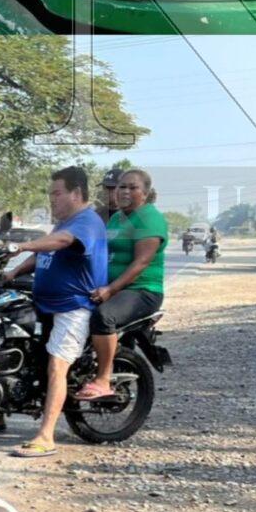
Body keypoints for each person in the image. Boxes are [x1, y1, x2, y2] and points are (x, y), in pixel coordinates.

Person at [0, 166, 109, 457]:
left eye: (56, 193)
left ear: (76, 194)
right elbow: (46, 252)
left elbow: (62, 243)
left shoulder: (86, 222)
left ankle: (46, 436)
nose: (51, 200)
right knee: (6, 342)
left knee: (57, 366)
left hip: (73, 307)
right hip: (46, 305)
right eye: (50, 194)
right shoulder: (64, 222)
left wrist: (20, 245)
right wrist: (13, 272)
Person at [79, 167, 168, 401]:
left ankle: (103, 379)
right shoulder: (117, 217)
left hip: (141, 290)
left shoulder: (149, 217)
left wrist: (110, 289)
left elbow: (141, 262)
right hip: (113, 288)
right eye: (121, 186)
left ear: (145, 193)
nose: (125, 191)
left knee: (103, 316)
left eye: (132, 187)